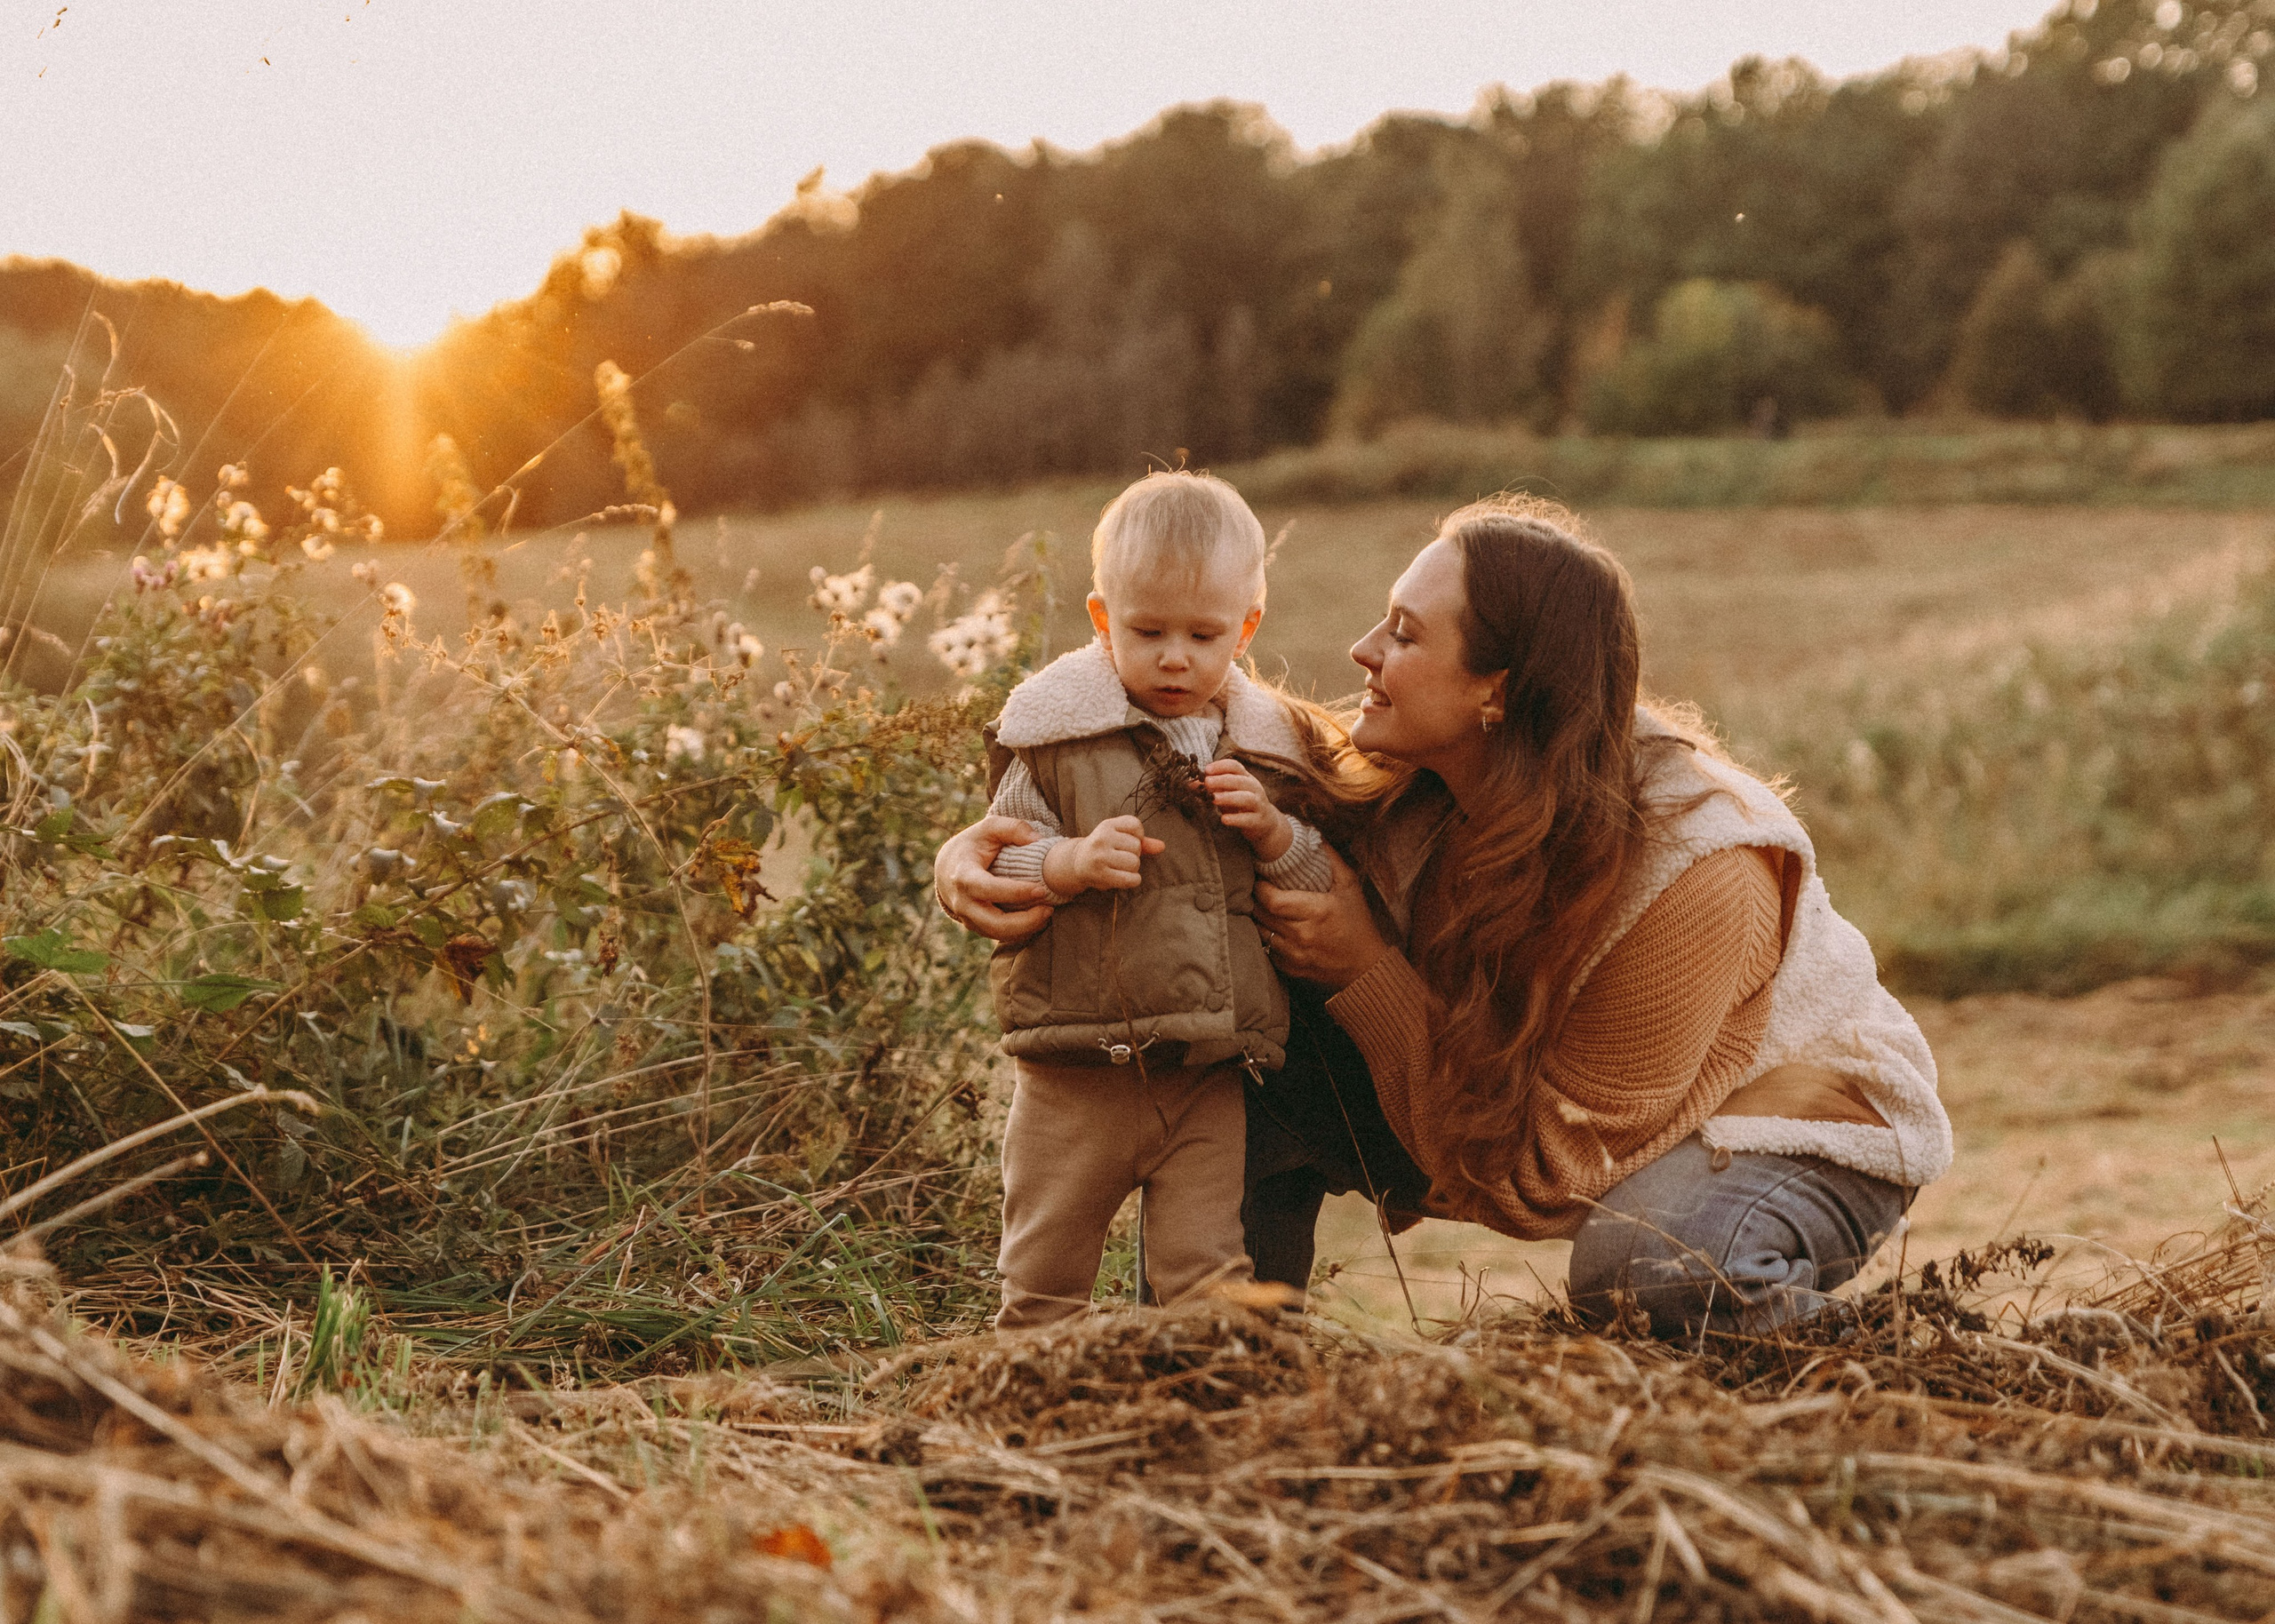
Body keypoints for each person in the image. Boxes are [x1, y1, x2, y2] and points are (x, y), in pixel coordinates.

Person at [939, 496, 1952, 1339]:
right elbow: (1181, 758)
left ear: (1494, 695)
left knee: (1648, 1271)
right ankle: (1219, 1366)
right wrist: (981, 853)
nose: (1361, 648)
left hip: (1790, 1124)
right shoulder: (1417, 775)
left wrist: (1367, 968)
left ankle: (1901, 1363)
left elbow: (1552, 1180)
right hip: (1526, 1099)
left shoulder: (1702, 865)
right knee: (1247, 1060)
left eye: (1407, 634)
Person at [978, 471, 1337, 1328]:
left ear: (1247, 628)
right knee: (1044, 1274)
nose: (1175, 657)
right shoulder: (1058, 740)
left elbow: (1319, 884)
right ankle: (1025, 1421)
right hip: (1077, 1073)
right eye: (1148, 631)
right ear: (1103, 621)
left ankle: (1192, 1420)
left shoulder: (1265, 752)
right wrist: (1065, 864)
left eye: (1203, 634)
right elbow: (1001, 863)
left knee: (1206, 1283)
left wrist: (1276, 837)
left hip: (1206, 1076)